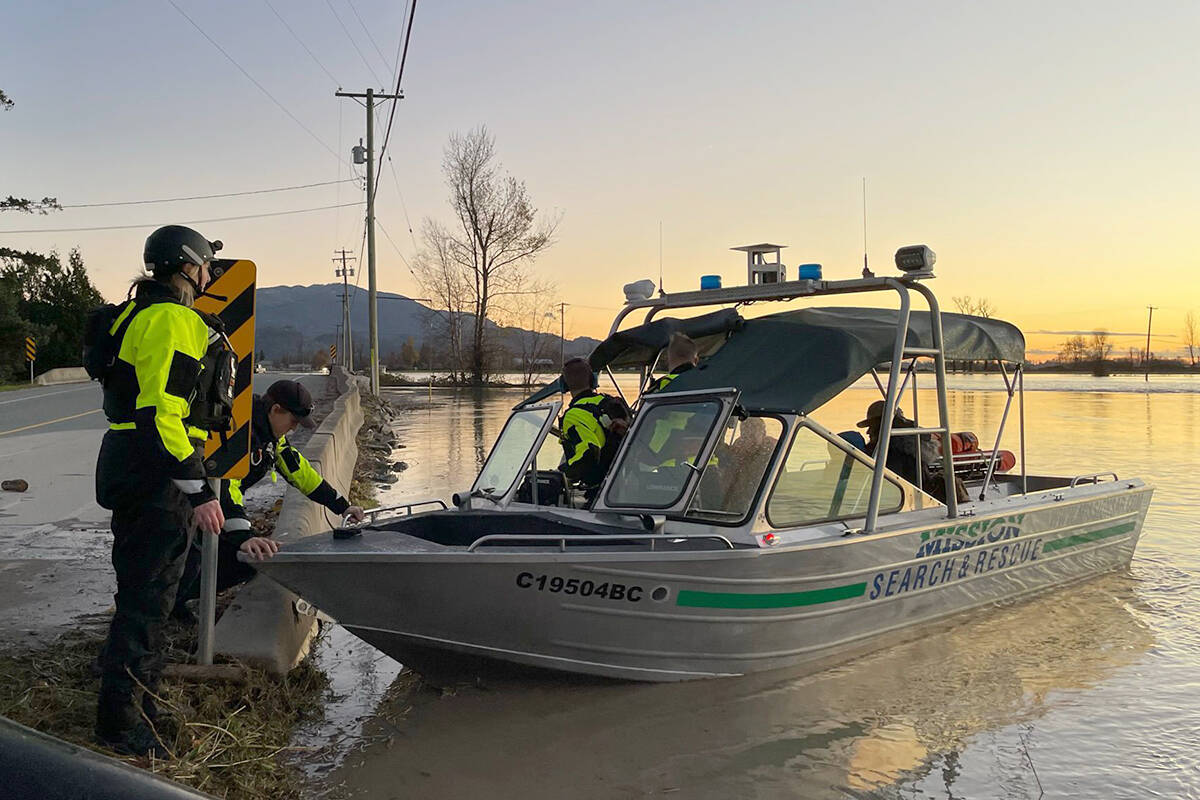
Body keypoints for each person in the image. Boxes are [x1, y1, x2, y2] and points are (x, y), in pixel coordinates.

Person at [92, 225, 229, 756]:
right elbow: (162, 413)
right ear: (187, 266)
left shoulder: (136, 313)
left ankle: (138, 705)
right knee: (148, 602)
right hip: (157, 471)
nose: (211, 273)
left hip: (132, 462)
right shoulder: (173, 318)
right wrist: (198, 490)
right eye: (206, 264)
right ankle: (120, 726)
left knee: (142, 595)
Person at [173, 380, 365, 618]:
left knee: (239, 562)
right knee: (186, 561)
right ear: (275, 410)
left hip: (208, 506)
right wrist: (244, 536)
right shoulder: (241, 432)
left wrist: (342, 506)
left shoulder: (271, 438)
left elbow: (301, 473)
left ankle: (176, 602)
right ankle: (172, 604)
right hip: (186, 501)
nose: (293, 429)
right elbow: (227, 486)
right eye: (293, 421)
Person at [557, 357, 630, 501]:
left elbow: (588, 452)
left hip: (603, 492)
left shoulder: (573, 415)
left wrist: (562, 474)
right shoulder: (614, 404)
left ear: (563, 384)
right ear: (593, 380)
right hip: (628, 483)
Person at [857, 399, 931, 488]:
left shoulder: (892, 455)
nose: (868, 432)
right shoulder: (911, 451)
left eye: (872, 426)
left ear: (881, 426)